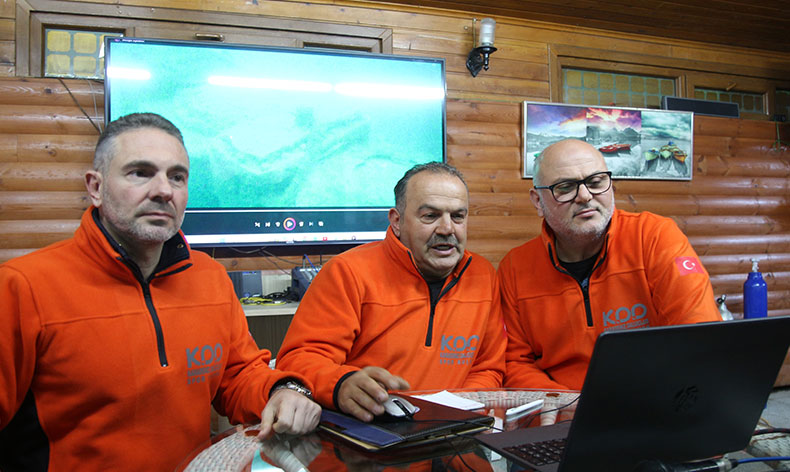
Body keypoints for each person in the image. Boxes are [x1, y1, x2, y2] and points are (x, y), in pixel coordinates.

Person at [0, 113, 321, 471]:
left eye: (177, 177)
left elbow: (239, 376)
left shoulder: (210, 278)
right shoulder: (22, 286)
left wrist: (281, 390)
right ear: (95, 187)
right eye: (140, 172)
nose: (164, 190)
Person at [276, 162, 506, 422]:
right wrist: (341, 383)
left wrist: (460, 411)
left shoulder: (483, 275)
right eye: (430, 216)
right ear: (397, 221)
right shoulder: (347, 272)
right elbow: (298, 361)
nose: (447, 229)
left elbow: (488, 368)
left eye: (458, 216)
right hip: (367, 432)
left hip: (455, 429)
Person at [500, 138, 721, 391]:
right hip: (561, 406)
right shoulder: (515, 267)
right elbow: (515, 362)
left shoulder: (655, 237)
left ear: (611, 185)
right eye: (565, 187)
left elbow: (699, 336)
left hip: (654, 399)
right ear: (538, 201)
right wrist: (562, 403)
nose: (585, 196)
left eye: (596, 182)